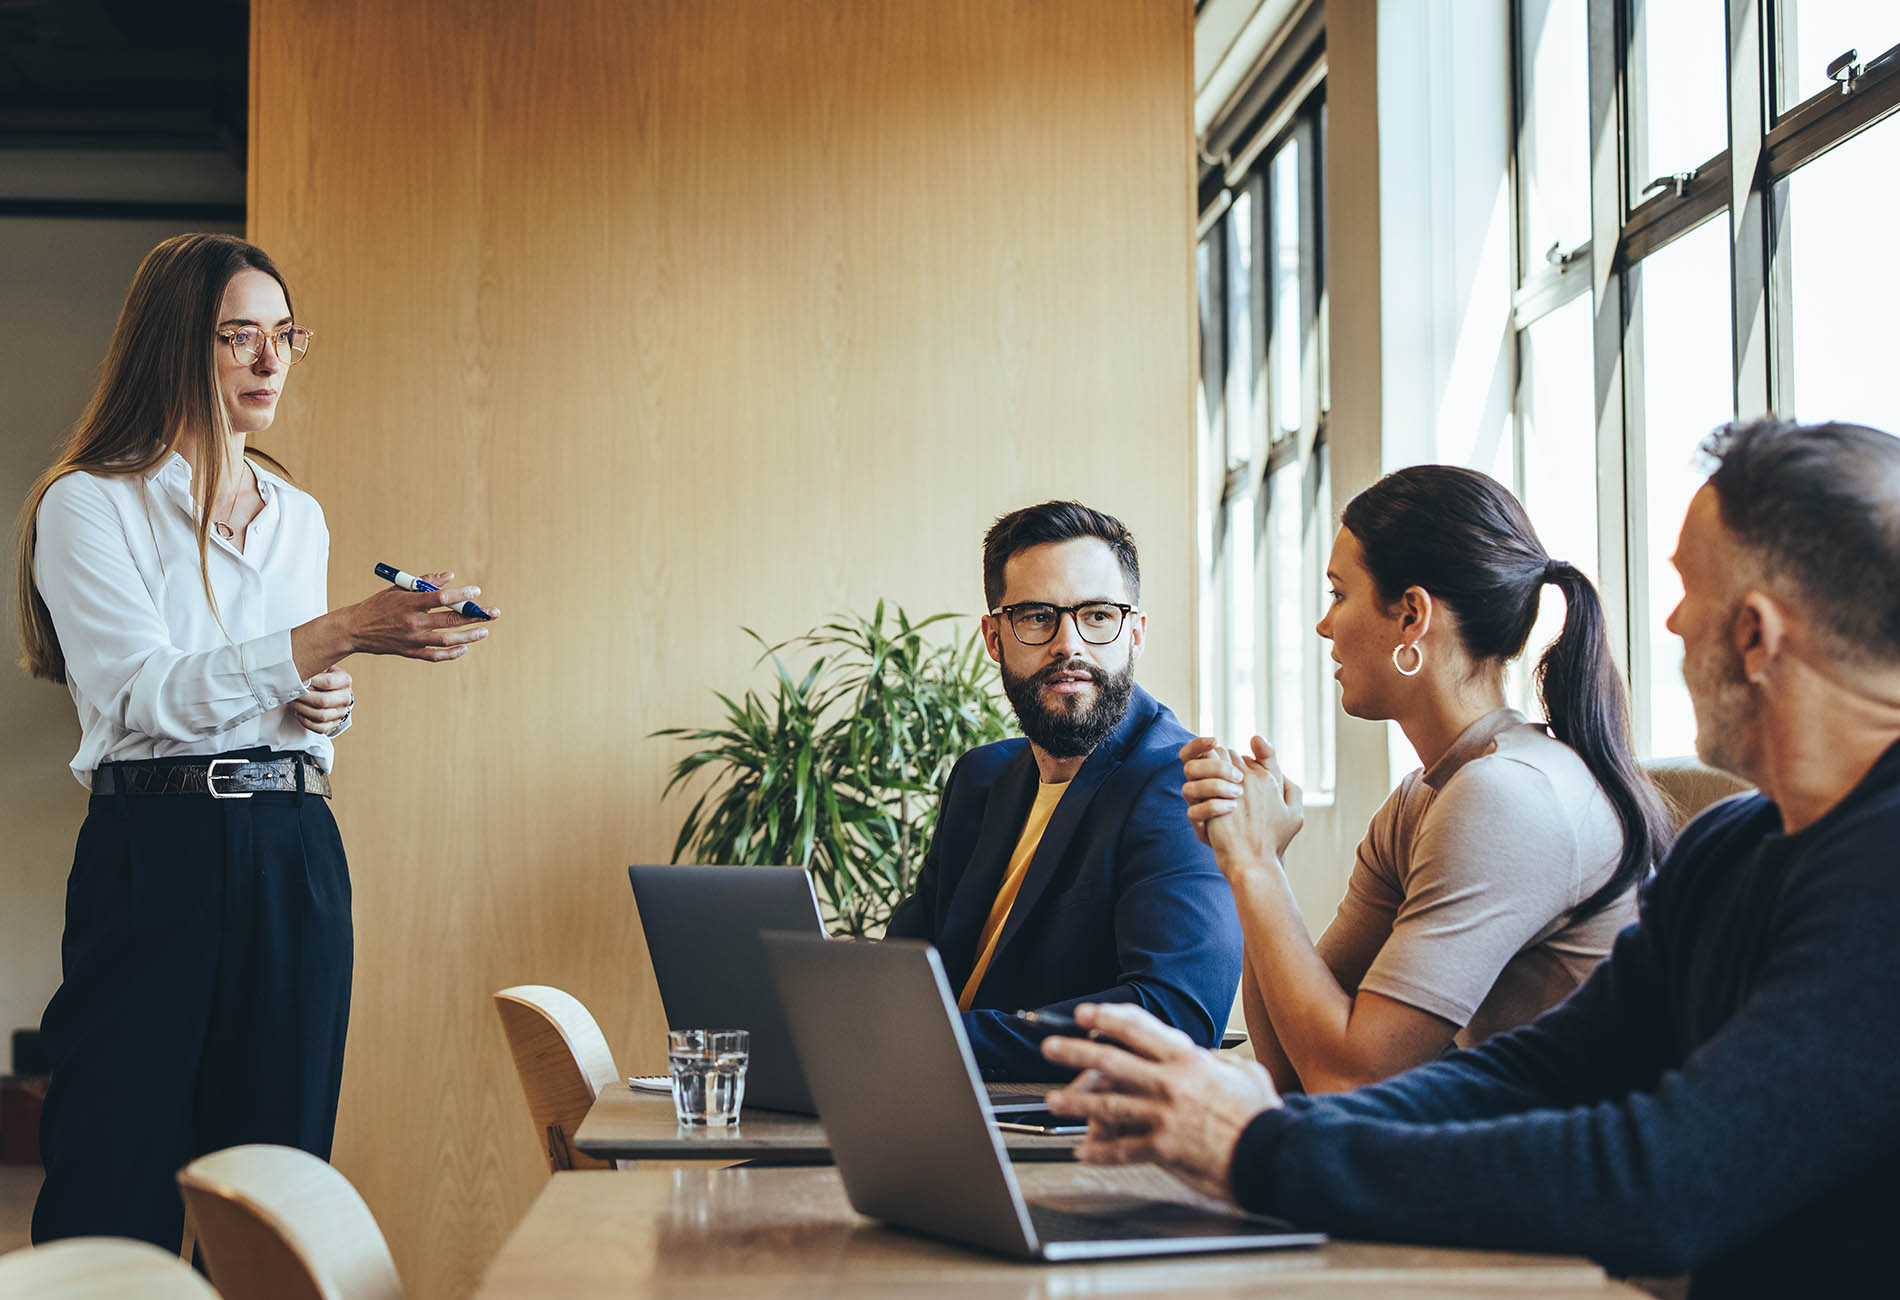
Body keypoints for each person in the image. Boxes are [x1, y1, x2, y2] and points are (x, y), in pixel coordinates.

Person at [1043, 418, 1900, 1295]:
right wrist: (1262, 1130)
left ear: (1756, 636)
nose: (1671, 621)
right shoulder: (1735, 845)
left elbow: (1665, 1176)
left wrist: (1265, 1148)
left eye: (1688, 592)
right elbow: (1535, 1071)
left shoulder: (1883, 878)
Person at [18, 233, 498, 1250]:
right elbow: (144, 693)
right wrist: (343, 633)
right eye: (241, 336)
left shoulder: (299, 519)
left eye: (285, 336)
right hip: (157, 855)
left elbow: (278, 688)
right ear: (175, 346)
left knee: (279, 1189)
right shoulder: (88, 504)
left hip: (294, 849)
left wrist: (328, 706)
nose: (269, 361)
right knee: (116, 1175)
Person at [1179, 465, 1670, 1092]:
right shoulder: (1424, 797)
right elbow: (1289, 1070)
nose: (1324, 626)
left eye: (1338, 594)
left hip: (1585, 1171)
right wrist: (1247, 861)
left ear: (1412, 616)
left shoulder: (1506, 796)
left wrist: (1256, 865)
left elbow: (1345, 1080)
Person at [885, 501, 1241, 1079]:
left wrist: (937, 1041)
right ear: (994, 637)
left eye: (1098, 615)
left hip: (1067, 1137)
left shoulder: (1177, 783)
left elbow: (1174, 1015)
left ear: (1136, 633)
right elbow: (905, 967)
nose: (1069, 644)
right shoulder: (980, 778)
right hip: (928, 1102)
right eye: (1035, 616)